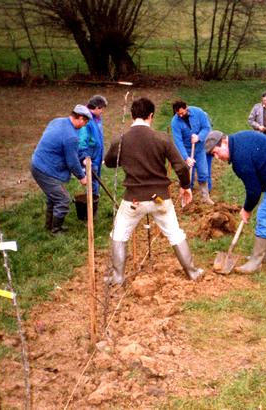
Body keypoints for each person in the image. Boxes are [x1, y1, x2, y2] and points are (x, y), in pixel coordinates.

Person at [104, 97, 203, 284]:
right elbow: (181, 167)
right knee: (175, 233)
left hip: (133, 200)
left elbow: (109, 163)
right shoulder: (162, 139)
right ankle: (192, 272)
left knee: (119, 234)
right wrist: (185, 187)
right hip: (160, 199)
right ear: (151, 116)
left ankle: (117, 276)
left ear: (132, 116)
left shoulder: (120, 140)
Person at [205, 130, 266, 273]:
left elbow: (254, 190)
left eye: (216, 152)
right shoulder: (238, 140)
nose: (217, 158)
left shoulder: (240, 159)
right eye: (213, 155)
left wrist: (246, 209)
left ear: (224, 142)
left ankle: (255, 262)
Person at [31, 105, 91, 233]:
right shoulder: (71, 136)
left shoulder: (57, 121)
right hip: (45, 170)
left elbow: (70, 149)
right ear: (80, 118)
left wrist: (83, 157)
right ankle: (56, 230)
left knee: (54, 197)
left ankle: (49, 226)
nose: (84, 125)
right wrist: (82, 177)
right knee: (63, 199)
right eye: (85, 122)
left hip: (39, 163)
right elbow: (72, 161)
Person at [171, 100, 214, 205]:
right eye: (178, 114)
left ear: (186, 107)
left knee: (203, 172)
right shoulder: (175, 122)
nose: (180, 115)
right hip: (185, 150)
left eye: (182, 112)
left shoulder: (198, 112)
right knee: (186, 175)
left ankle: (205, 197)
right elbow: (178, 141)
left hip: (199, 149)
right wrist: (186, 157)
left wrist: (198, 137)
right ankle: (185, 199)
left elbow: (207, 127)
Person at [78, 95, 107, 197]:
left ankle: (95, 198)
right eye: (101, 108)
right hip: (90, 157)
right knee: (92, 181)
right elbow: (81, 141)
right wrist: (84, 157)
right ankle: (92, 204)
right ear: (96, 107)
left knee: (96, 179)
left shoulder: (97, 118)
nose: (102, 111)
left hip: (97, 155)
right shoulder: (86, 120)